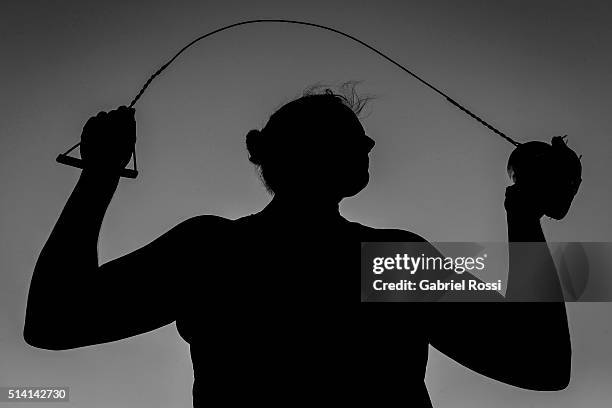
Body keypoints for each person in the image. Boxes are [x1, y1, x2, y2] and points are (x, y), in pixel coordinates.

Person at [24, 82, 573, 407]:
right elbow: (542, 363)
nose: (371, 140)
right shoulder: (388, 262)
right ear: (341, 158)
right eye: (354, 133)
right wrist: (524, 217)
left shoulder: (213, 253)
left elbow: (52, 321)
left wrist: (98, 175)